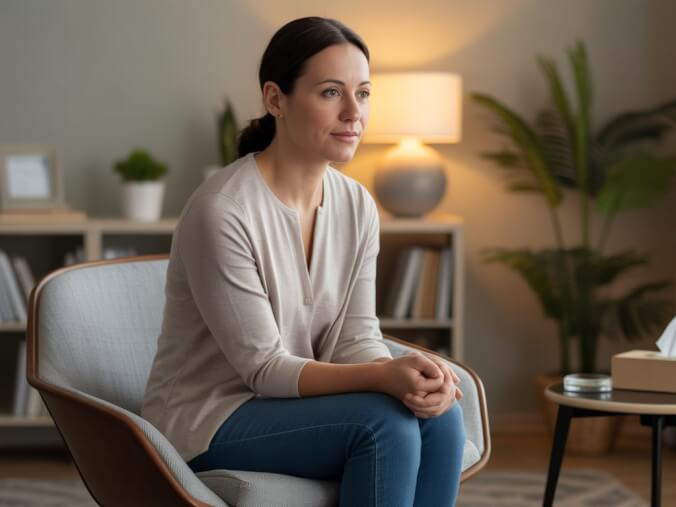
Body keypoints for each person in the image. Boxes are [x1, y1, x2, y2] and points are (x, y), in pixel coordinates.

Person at [140, 16, 465, 507]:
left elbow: (357, 337)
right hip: (208, 419)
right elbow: (264, 368)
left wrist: (412, 378)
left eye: (365, 93)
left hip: (292, 406)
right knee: (383, 426)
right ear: (275, 100)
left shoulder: (356, 204)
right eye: (332, 93)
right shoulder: (223, 210)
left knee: (439, 415)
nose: (354, 112)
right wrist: (383, 376)